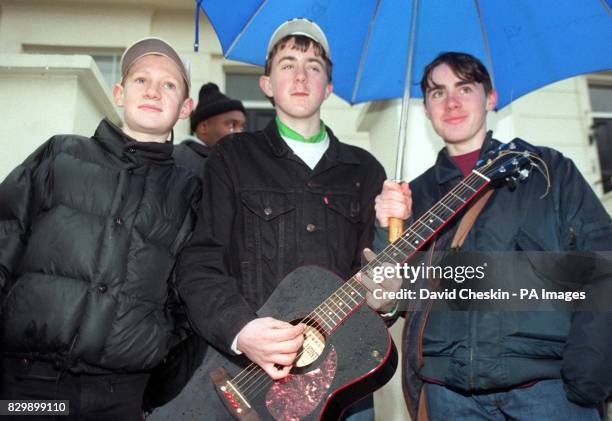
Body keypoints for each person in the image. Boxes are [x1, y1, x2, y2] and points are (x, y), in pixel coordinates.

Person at [150, 18, 398, 420]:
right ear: (267, 84)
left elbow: (370, 278)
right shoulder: (232, 157)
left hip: (338, 387)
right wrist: (241, 331)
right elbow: (200, 263)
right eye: (287, 64)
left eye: (314, 67)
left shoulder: (365, 171)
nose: (301, 75)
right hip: (244, 378)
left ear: (328, 86)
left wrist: (386, 300)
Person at [374, 52, 612, 420]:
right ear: (425, 109)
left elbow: (602, 267)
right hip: (448, 399)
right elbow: (392, 299)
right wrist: (386, 226)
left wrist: (586, 378)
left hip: (547, 394)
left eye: (464, 88)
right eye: (437, 93)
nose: (451, 102)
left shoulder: (546, 171)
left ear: (490, 98)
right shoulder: (412, 197)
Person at [0, 37, 200, 420]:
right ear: (119, 93)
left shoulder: (189, 193)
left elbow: (188, 296)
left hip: (120, 396)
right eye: (141, 80)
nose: (154, 91)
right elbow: (6, 233)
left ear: (185, 108)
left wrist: (156, 356)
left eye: (169, 84)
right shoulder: (61, 155)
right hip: (28, 384)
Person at [174, 82, 246, 177]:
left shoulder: (230, 159)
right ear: (204, 127)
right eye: (231, 125)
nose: (239, 132)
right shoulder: (179, 160)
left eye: (241, 126)